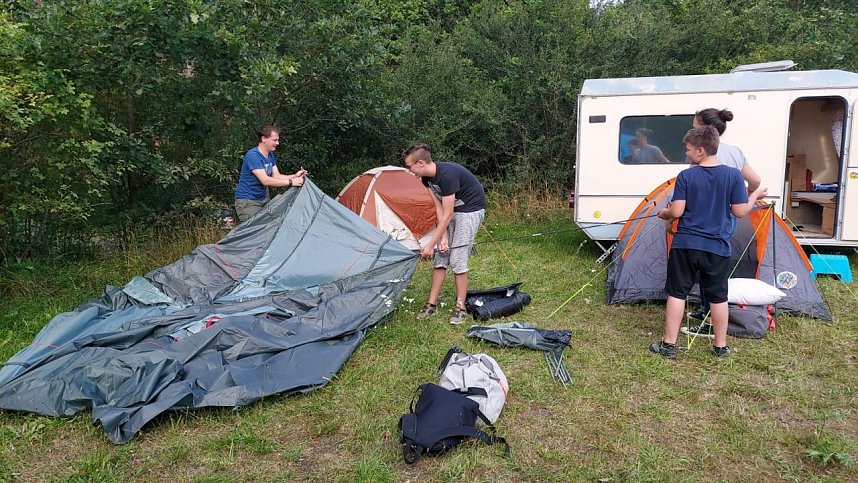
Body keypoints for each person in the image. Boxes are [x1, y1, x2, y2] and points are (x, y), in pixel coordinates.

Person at [650, 126, 767, 358]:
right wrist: (755, 195)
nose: (686, 154)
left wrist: (664, 213)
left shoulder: (686, 176)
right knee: (718, 296)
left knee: (677, 293)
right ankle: (720, 347)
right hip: (717, 248)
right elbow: (741, 211)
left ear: (701, 151)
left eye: (688, 149)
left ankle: (669, 345)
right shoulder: (733, 176)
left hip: (685, 246)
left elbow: (677, 211)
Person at [683, 108, 762, 336]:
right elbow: (755, 180)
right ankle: (707, 309)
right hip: (725, 223)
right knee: (715, 269)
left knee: (706, 271)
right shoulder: (735, 152)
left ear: (703, 129)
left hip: (699, 223)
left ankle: (709, 318)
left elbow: (694, 188)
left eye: (694, 125)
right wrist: (745, 196)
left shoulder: (700, 153)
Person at [402, 143, 486, 325]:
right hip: (452, 211)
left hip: (470, 211)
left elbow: (448, 214)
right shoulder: (426, 179)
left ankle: (460, 307)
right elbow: (439, 207)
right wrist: (442, 238)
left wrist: (430, 244)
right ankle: (431, 303)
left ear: (421, 163)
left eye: (410, 166)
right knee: (442, 255)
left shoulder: (447, 175)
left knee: (457, 259)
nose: (409, 170)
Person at [234, 125, 307, 223]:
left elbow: (277, 176)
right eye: (274, 140)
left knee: (269, 229)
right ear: (264, 138)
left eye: (278, 140)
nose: (277, 143)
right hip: (248, 202)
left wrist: (295, 176)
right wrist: (291, 182)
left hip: (264, 200)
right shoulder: (253, 155)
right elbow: (265, 180)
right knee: (255, 233)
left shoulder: (270, 155)